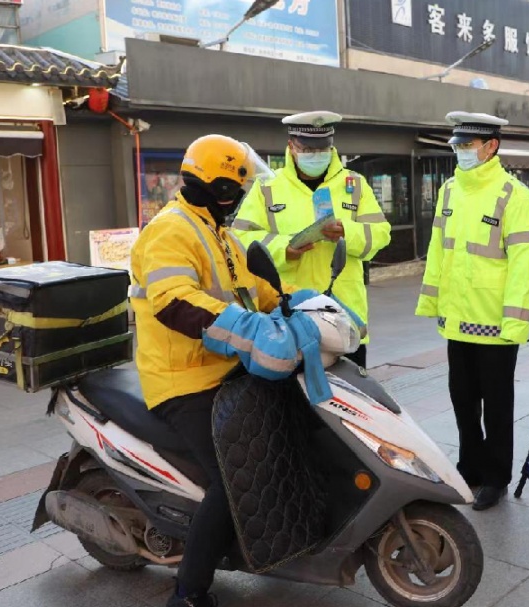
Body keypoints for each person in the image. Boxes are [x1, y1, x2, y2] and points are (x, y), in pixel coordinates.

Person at [130, 134, 314, 607]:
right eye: (238, 186)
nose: (241, 196)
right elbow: (175, 303)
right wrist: (245, 328)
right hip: (183, 379)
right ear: (219, 187)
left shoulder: (218, 232)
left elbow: (256, 289)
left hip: (225, 369)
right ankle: (189, 591)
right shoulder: (171, 231)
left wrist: (306, 303)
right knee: (234, 478)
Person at [416, 111, 529, 511]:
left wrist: (515, 323)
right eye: (458, 144)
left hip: (495, 326)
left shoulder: (514, 195)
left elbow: (525, 264)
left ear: (491, 146)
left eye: (468, 145)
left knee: (497, 404)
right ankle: (469, 467)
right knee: (462, 400)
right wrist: (433, 303)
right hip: (457, 321)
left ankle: (496, 477)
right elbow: (439, 250)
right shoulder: (450, 190)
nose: (462, 151)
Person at [232, 111, 391, 369]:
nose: (316, 155)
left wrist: (346, 232)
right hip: (290, 316)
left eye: (322, 148)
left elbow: (381, 235)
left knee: (346, 403)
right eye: (307, 149)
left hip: (344, 317)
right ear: (291, 147)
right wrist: (286, 248)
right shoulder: (267, 188)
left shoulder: (355, 184)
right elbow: (240, 240)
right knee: (296, 406)